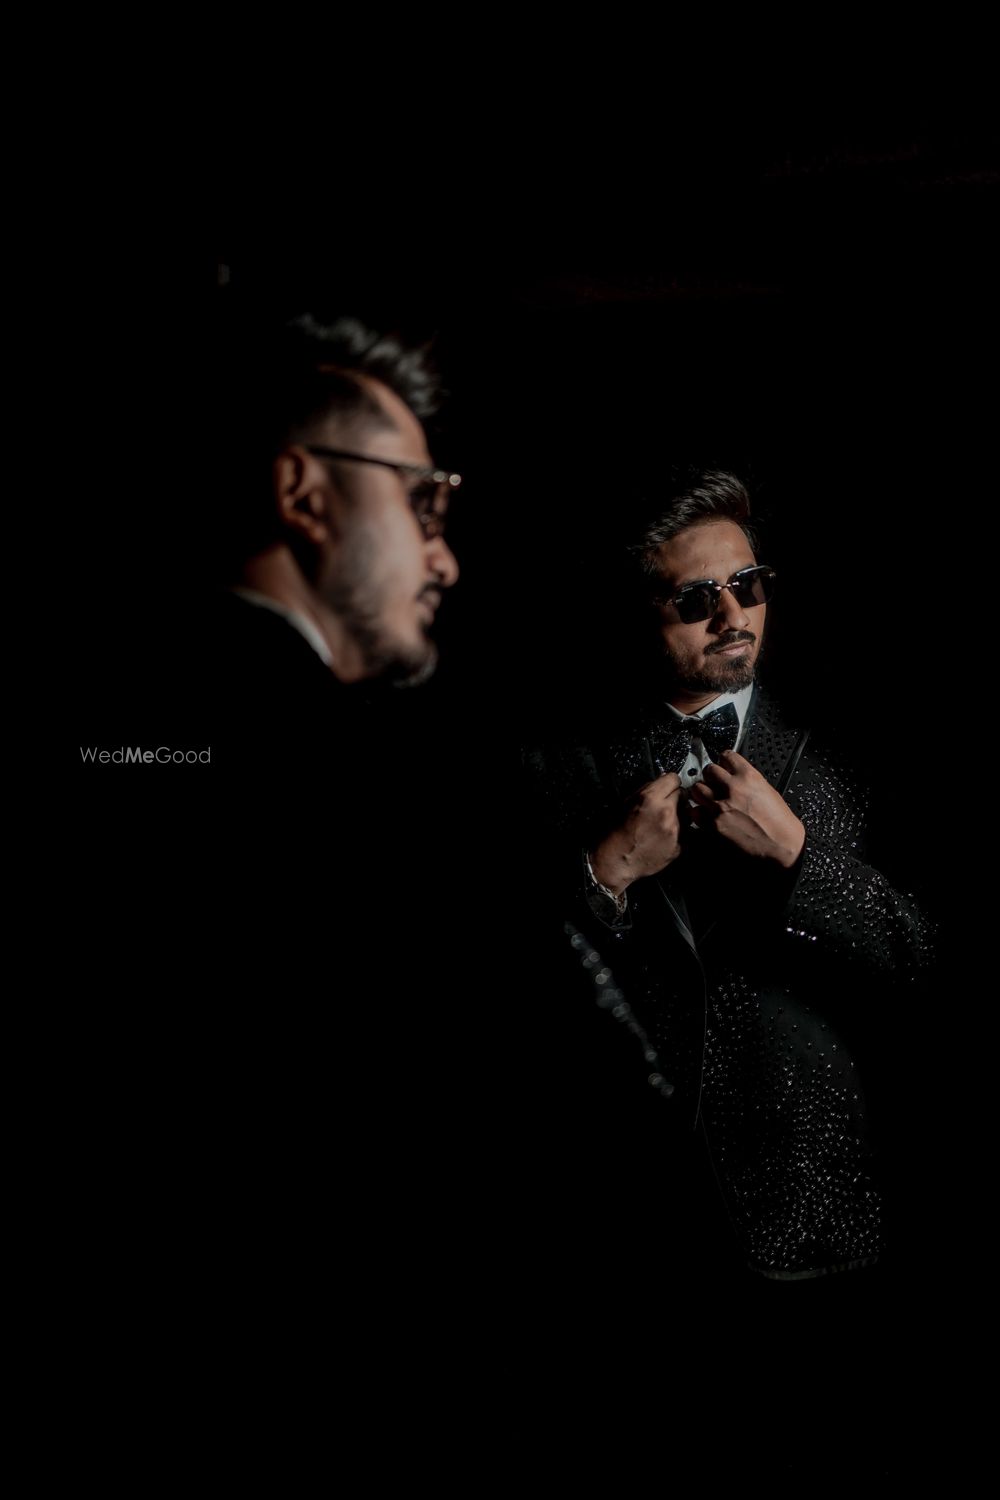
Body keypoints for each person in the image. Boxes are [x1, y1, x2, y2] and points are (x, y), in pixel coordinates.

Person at [522, 468, 932, 1284]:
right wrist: (604, 871)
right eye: (695, 598)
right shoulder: (554, 762)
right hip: (634, 1215)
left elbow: (930, 960)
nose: (733, 615)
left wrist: (799, 859)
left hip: (825, 1212)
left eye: (749, 585)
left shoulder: (855, 747)